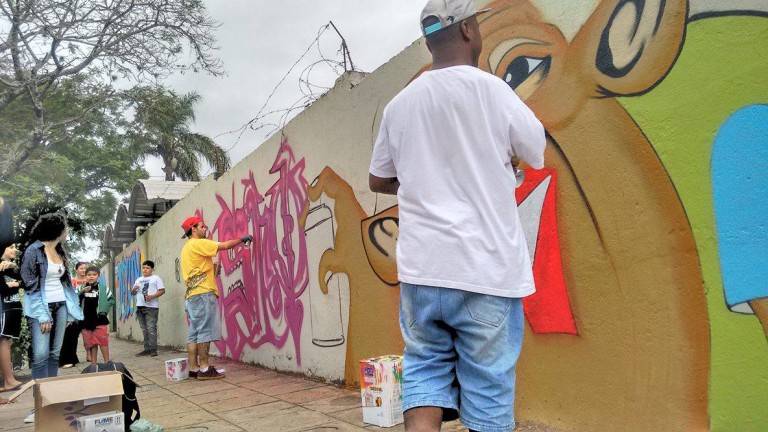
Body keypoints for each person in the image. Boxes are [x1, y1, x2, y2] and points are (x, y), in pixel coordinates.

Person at [368, 1, 547, 431]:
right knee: (488, 387)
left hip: (422, 273)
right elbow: (535, 149)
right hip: (485, 271)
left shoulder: (400, 105)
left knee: (424, 372)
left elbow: (378, 179)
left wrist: (419, 179)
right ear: (468, 30)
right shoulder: (492, 91)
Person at [20, 213, 84, 422]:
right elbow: (29, 285)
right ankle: (38, 407)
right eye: (65, 227)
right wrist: (42, 315)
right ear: (57, 229)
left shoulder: (60, 251)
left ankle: (52, 401)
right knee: (40, 355)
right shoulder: (33, 251)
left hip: (61, 306)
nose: (67, 231)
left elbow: (65, 283)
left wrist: (70, 311)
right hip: (41, 308)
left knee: (55, 354)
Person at [179, 215, 252, 380]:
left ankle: (194, 368)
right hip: (203, 294)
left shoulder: (186, 248)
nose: (205, 228)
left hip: (192, 295)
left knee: (194, 332)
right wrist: (242, 239)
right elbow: (224, 245)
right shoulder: (198, 243)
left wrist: (212, 270)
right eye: (201, 226)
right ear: (193, 229)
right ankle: (205, 369)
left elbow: (198, 269)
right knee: (205, 330)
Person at [0, 241, 24, 397]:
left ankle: (8, 379)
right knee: (4, 342)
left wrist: (15, 279)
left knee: (8, 342)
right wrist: (13, 285)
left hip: (14, 307)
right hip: (4, 309)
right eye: (11, 247)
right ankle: (9, 380)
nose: (15, 250)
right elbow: (3, 288)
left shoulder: (11, 267)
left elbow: (25, 282)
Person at [79, 266, 114, 365]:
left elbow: (111, 300)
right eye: (89, 275)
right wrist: (82, 292)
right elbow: (75, 299)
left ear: (98, 276)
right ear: (85, 276)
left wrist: (103, 310)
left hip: (100, 319)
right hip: (86, 319)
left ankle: (107, 362)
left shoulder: (103, 288)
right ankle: (93, 364)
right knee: (91, 342)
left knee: (102, 340)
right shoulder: (81, 288)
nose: (91, 277)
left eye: (94, 275)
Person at [132, 260, 165, 357]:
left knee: (151, 328)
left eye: (147, 268)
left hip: (151, 307)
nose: (145, 270)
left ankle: (153, 350)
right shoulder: (138, 279)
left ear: (152, 269)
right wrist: (134, 289)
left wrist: (152, 296)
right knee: (144, 329)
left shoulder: (156, 278)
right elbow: (133, 293)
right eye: (143, 268)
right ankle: (147, 349)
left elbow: (162, 290)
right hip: (140, 306)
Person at [59, 261, 87, 368]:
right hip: (69, 311)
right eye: (81, 268)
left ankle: (71, 358)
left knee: (74, 335)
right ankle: (69, 358)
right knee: (67, 335)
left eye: (85, 268)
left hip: (81, 311)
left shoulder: (89, 280)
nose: (83, 270)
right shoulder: (70, 282)